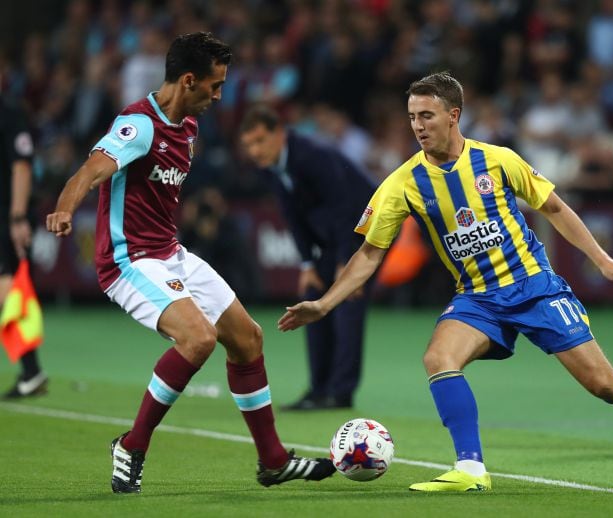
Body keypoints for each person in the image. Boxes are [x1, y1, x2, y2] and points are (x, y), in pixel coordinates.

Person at [278, 71, 613, 491]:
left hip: (534, 287)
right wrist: (325, 303)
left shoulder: (497, 160)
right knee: (438, 358)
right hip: (477, 298)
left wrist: (602, 259)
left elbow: (554, 208)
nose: (418, 125)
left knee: (604, 385)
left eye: (427, 115)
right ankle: (471, 468)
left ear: (454, 115)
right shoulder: (403, 183)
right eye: (412, 116)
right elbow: (370, 253)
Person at [46, 32, 335, 494]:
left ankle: (274, 460)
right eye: (214, 86)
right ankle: (132, 445)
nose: (219, 96)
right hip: (128, 261)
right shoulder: (138, 124)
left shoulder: (190, 128)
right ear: (187, 81)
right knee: (198, 338)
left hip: (169, 253)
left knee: (247, 339)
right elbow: (93, 169)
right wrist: (65, 207)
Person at [239, 104, 376, 410]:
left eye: (260, 141)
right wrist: (307, 264)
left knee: (346, 303)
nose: (255, 151)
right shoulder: (272, 167)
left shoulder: (312, 155)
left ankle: (340, 394)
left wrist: (346, 263)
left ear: (279, 134)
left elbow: (345, 207)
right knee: (312, 296)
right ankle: (318, 390)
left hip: (367, 233)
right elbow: (292, 214)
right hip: (333, 238)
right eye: (249, 145)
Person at [1, 90, 47, 399]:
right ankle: (31, 371)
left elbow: (22, 167)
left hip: (7, 218)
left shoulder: (10, 115)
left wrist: (17, 218)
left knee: (9, 292)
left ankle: (32, 370)